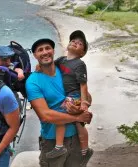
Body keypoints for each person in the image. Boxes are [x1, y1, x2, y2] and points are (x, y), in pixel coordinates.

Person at [26, 38, 93, 167]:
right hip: (52, 141)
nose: (45, 52)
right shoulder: (33, 81)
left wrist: (80, 105)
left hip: (76, 139)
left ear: (53, 51)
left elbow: (87, 97)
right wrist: (78, 116)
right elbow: (45, 116)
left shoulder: (65, 69)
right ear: (35, 55)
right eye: (40, 50)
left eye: (47, 48)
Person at [46, 30, 93, 166]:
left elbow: (83, 84)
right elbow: (49, 66)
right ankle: (85, 150)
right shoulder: (61, 60)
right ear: (67, 45)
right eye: (73, 41)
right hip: (64, 94)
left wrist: (84, 102)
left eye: (79, 44)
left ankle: (61, 147)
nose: (75, 43)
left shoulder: (79, 64)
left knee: (64, 115)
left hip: (74, 95)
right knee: (78, 123)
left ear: (82, 52)